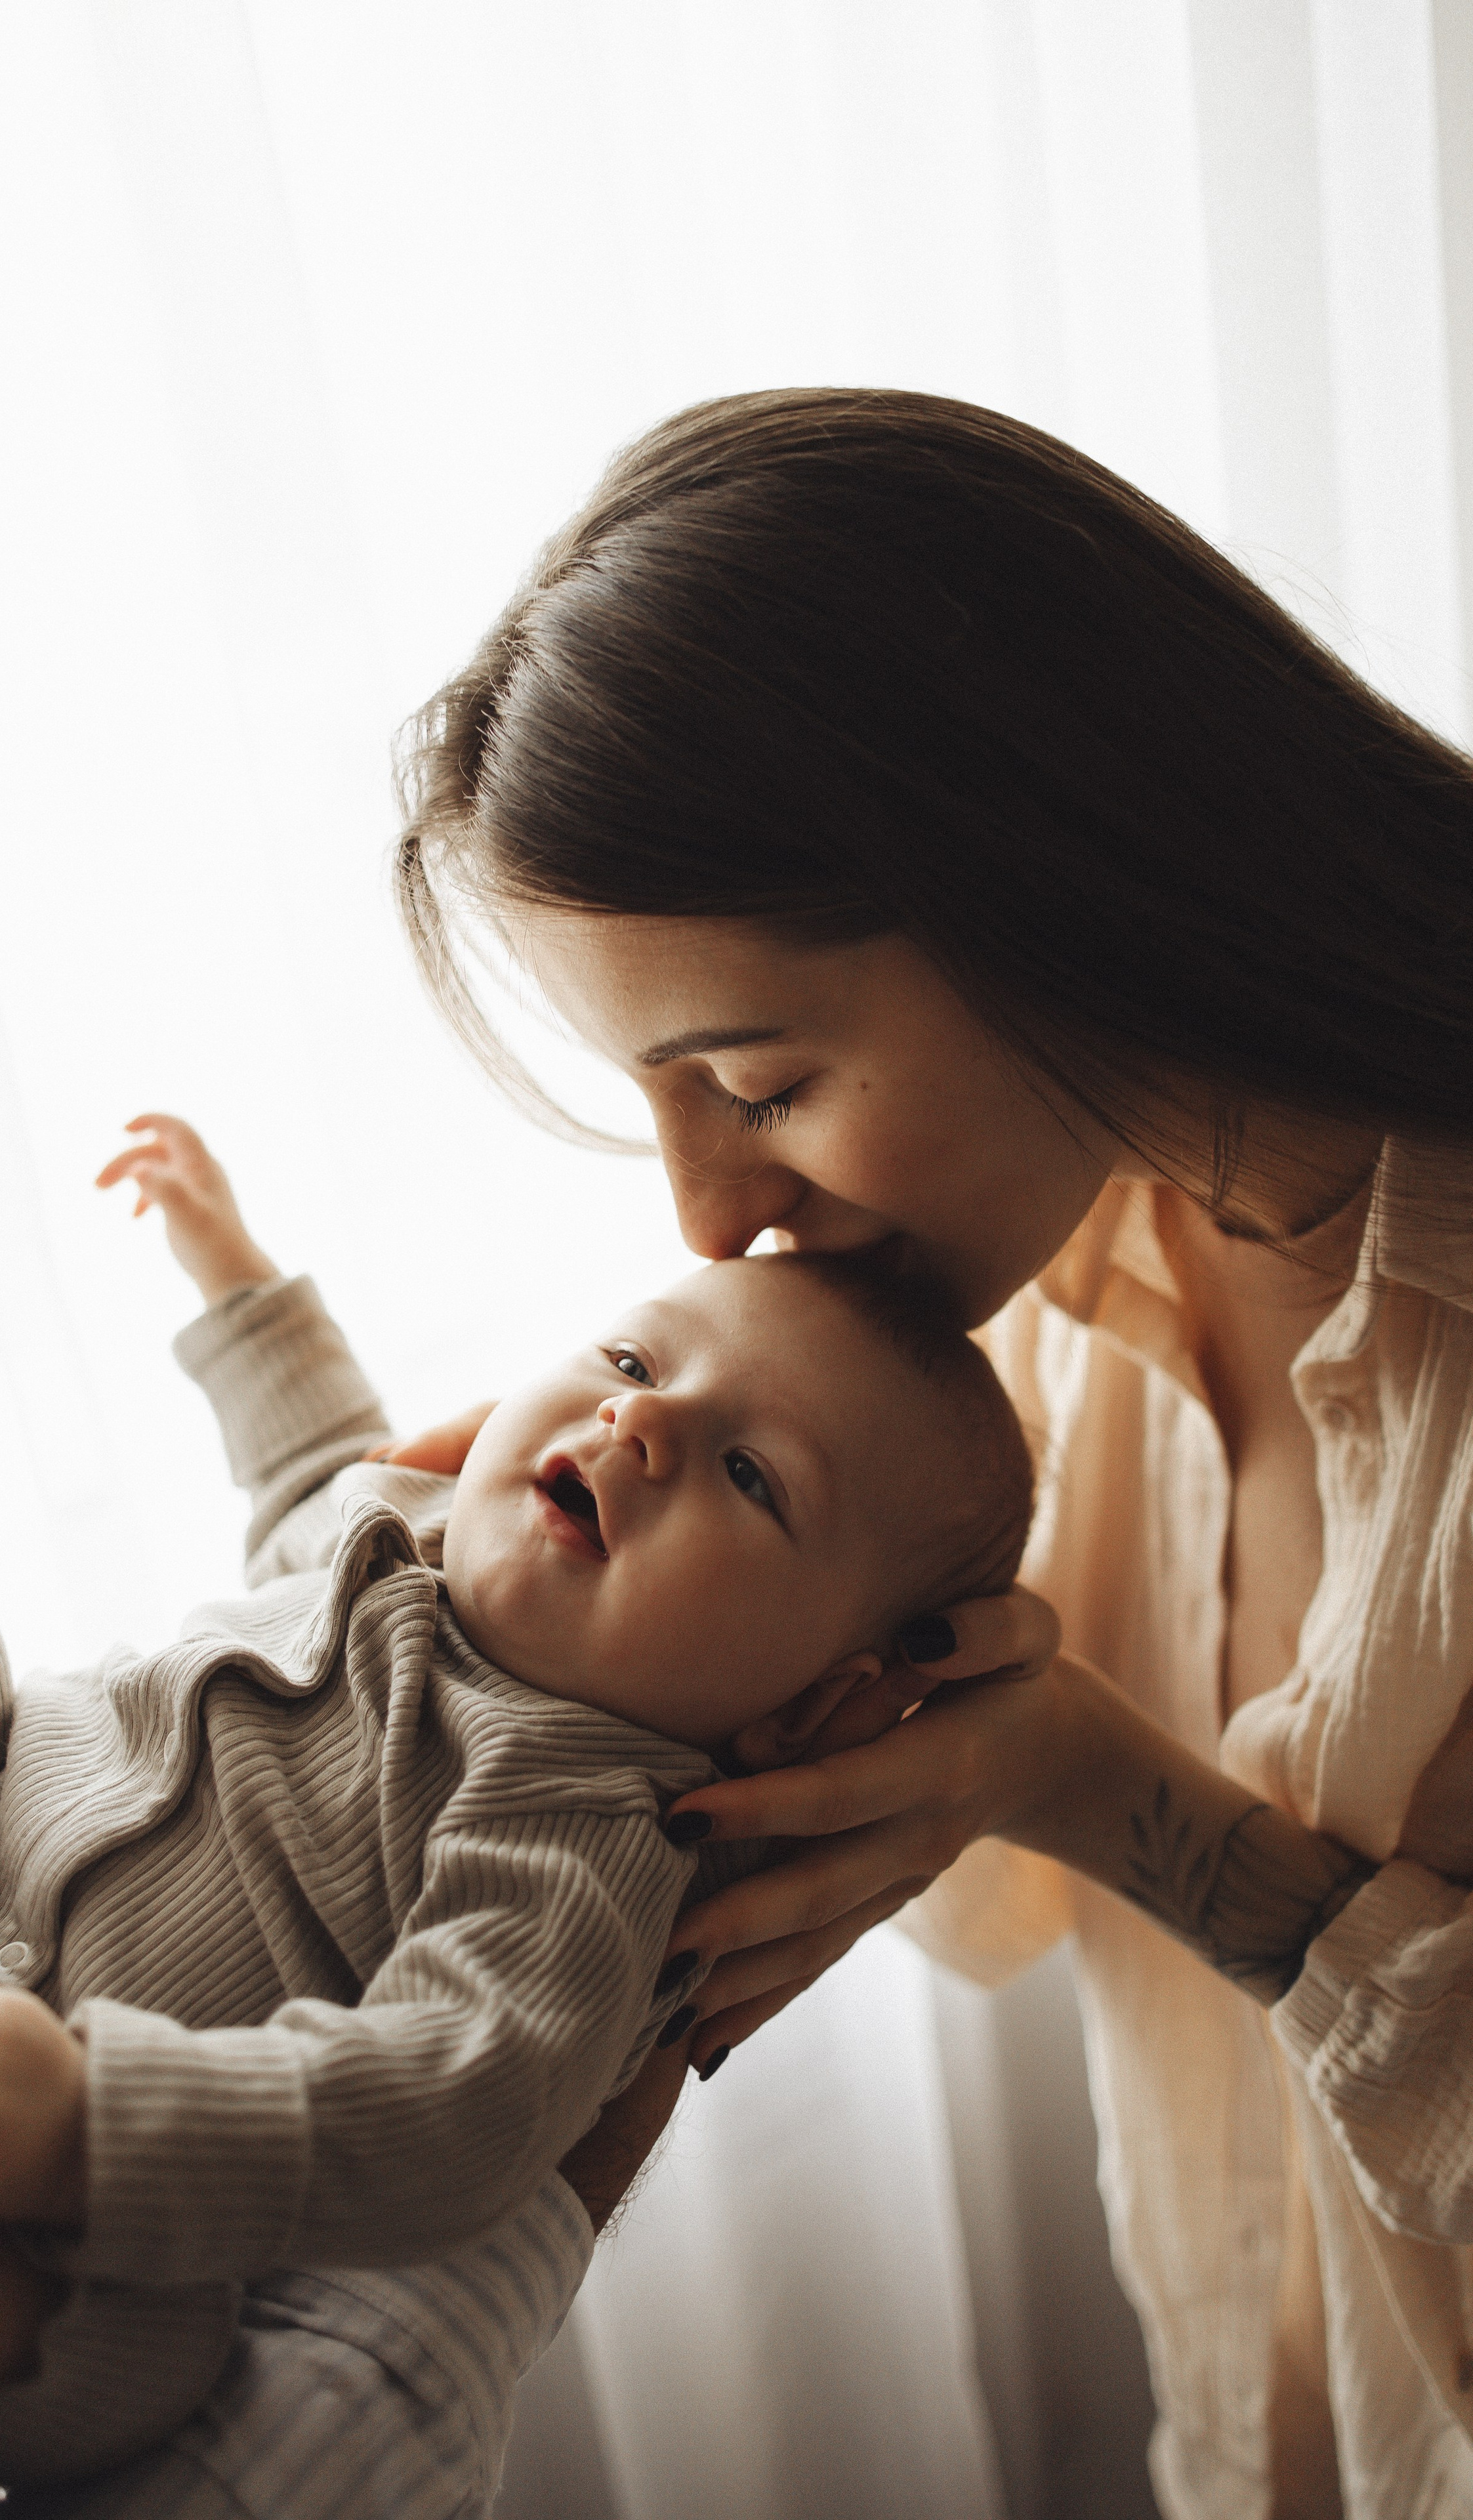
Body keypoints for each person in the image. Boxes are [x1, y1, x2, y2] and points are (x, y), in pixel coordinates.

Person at [393, 387, 1473, 2519]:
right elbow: (992, 1925)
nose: (707, 1218)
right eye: (662, 1104)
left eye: (762, 1086)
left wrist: (1125, 1803)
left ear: (1061, 885)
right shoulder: (1061, 1267)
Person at [0, 1114, 1031, 2504]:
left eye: (750, 1475)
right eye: (631, 1360)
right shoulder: (416, 1533)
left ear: (811, 1704)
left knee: (94, 2348)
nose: (639, 1421)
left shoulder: (586, 1830)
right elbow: (311, 1469)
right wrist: (238, 1280)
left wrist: (100, 2125)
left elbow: (460, 2101)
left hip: (29, 2204)